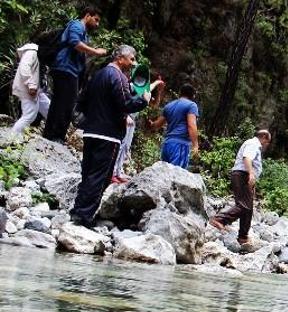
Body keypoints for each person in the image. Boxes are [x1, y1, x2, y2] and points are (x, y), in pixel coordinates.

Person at [69, 45, 151, 228]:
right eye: (131, 59)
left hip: (90, 132)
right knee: (101, 177)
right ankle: (84, 216)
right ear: (120, 58)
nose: (133, 63)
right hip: (108, 135)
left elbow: (81, 100)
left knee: (88, 173)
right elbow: (125, 104)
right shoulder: (118, 77)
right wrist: (143, 100)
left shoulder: (97, 74)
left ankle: (77, 211)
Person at [42, 5, 107, 144]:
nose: (97, 24)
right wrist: (95, 52)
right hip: (66, 68)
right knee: (67, 102)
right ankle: (56, 136)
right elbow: (74, 43)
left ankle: (50, 133)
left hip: (67, 68)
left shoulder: (82, 30)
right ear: (87, 15)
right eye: (96, 20)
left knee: (59, 101)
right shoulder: (77, 25)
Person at [209, 130, 272, 246]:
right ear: (263, 137)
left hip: (245, 175)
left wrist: (252, 179)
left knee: (248, 208)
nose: (266, 145)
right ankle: (219, 219)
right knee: (244, 206)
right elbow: (247, 158)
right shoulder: (253, 144)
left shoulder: (254, 145)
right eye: (267, 142)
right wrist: (251, 174)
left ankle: (243, 237)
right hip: (243, 174)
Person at [149, 84, 200, 169]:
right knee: (176, 176)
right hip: (180, 145)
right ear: (193, 95)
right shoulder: (191, 105)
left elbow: (156, 125)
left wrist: (151, 123)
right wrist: (195, 145)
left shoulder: (169, 106)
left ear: (180, 93)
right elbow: (192, 125)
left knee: (165, 174)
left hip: (167, 144)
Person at [11, 43, 51, 135]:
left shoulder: (38, 54)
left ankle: (53, 133)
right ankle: (12, 137)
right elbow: (24, 67)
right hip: (28, 89)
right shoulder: (31, 52)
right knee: (29, 115)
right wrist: (31, 85)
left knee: (49, 109)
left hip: (37, 90)